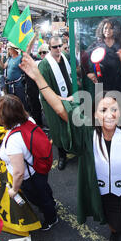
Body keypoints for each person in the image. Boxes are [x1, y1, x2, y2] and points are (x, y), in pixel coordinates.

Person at [19, 49, 121, 241]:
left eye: (114, 109)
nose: (109, 114)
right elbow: (58, 107)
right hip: (99, 188)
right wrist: (38, 77)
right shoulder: (87, 132)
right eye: (103, 110)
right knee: (108, 216)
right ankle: (114, 230)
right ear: (95, 114)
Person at [0, 95, 58, 231]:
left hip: (29, 178)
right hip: (38, 169)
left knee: (39, 199)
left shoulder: (13, 141)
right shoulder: (29, 120)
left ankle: (51, 219)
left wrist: (14, 190)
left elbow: (18, 172)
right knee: (45, 191)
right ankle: (51, 204)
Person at [38, 36, 73, 170]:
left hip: (69, 99)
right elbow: (45, 90)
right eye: (54, 47)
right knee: (58, 129)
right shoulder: (44, 65)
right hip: (53, 104)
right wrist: (62, 99)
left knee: (71, 125)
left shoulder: (65, 57)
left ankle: (72, 148)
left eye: (60, 46)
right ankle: (62, 156)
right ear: (49, 48)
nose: (58, 49)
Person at [86, 18, 121, 95]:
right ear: (102, 29)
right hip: (100, 83)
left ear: (116, 30)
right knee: (102, 106)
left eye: (111, 28)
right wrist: (89, 73)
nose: (108, 30)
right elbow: (85, 59)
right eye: (105, 28)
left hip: (118, 83)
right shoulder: (95, 45)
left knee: (117, 106)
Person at [0, 42, 27, 110]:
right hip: (10, 85)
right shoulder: (9, 59)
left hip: (18, 85)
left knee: (21, 101)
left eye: (9, 49)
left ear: (13, 49)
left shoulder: (20, 58)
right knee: (13, 102)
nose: (8, 50)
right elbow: (4, 66)